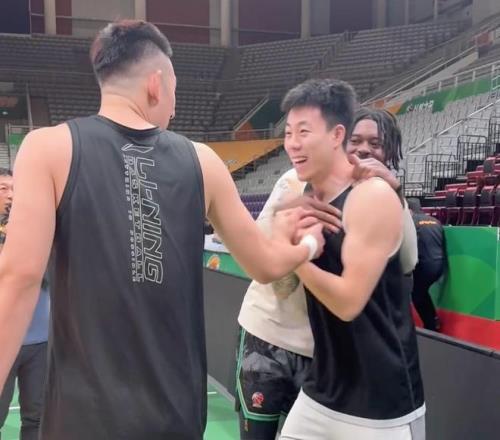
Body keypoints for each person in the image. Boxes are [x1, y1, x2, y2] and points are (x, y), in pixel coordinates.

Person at [0, 20, 327, 440]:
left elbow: (18, 279)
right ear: (156, 84)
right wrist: (308, 243)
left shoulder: (46, 148)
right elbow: (265, 265)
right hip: (176, 414)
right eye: (174, 91)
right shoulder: (203, 161)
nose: (173, 108)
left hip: (80, 419)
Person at [235, 108, 419, 440]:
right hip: (270, 337)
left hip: (324, 357)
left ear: (389, 152)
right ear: (339, 140)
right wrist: (300, 244)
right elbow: (270, 270)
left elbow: (408, 262)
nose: (364, 150)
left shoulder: (383, 197)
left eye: (375, 143)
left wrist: (395, 192)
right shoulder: (296, 182)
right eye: (356, 140)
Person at [0, 168, 49, 440]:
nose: (11, 195)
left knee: (37, 417)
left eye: (14, 188)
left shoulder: (35, 230)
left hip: (40, 342)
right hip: (4, 339)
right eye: (3, 189)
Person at [407, 198, 445, 331]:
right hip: (439, 265)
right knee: (421, 292)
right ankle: (433, 320)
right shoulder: (436, 221)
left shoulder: (411, 222)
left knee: (416, 294)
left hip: (424, 264)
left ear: (409, 210)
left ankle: (431, 325)